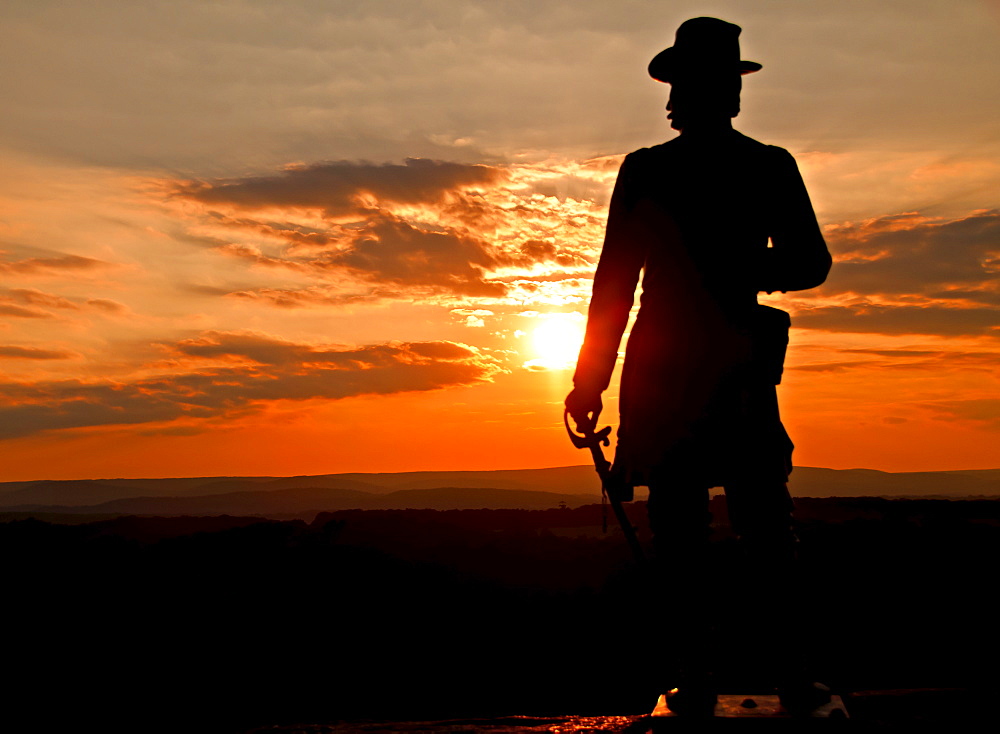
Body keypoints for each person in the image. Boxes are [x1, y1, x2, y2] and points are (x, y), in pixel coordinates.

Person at [565, 17, 833, 715]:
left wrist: (590, 379)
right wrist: (589, 378)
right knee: (740, 524)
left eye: (690, 84)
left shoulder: (659, 170)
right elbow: (806, 263)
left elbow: (614, 285)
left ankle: (744, 673)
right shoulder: (758, 166)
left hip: (689, 364)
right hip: (714, 362)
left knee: (737, 524)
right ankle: (758, 673)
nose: (685, 97)